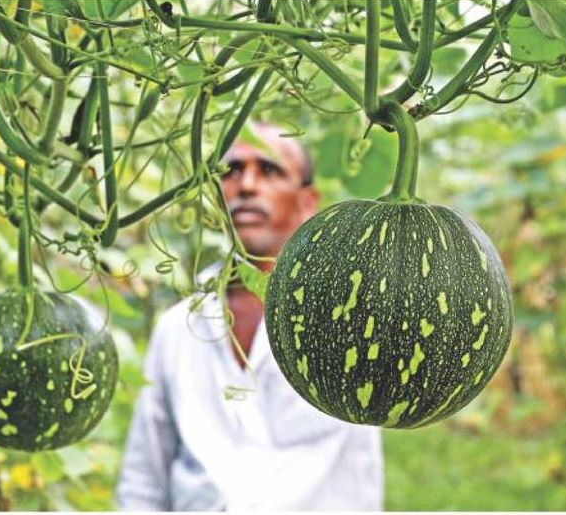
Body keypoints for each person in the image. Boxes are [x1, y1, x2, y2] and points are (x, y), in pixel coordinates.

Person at [115, 122, 384, 511]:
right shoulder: (178, 327)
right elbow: (144, 476)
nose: (246, 186)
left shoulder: (354, 324)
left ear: (308, 202)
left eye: (270, 170)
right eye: (232, 171)